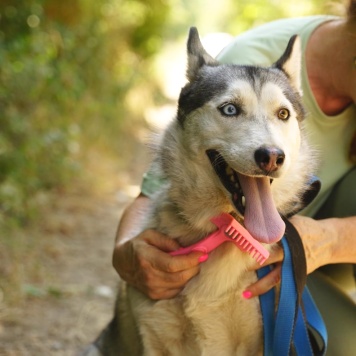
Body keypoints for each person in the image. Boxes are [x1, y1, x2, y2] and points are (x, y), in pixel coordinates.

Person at [113, 1, 356, 354]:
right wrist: (125, 256)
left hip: (319, 251)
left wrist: (327, 240)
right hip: (270, 251)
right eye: (231, 110)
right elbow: (152, 193)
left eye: (283, 114)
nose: (269, 149)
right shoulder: (250, 57)